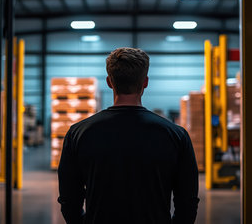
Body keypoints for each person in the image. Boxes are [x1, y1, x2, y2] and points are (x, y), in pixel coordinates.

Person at [58, 47, 199, 224]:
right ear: (145, 82)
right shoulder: (176, 136)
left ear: (109, 82)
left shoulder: (78, 134)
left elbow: (69, 200)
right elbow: (188, 202)